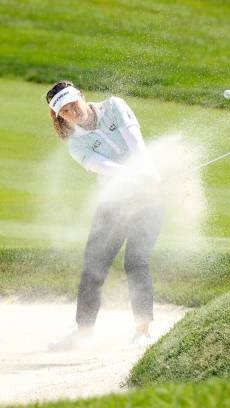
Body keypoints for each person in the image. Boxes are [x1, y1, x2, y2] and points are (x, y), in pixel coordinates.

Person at [45, 81, 165, 350]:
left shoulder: (115, 106)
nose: (72, 112)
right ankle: (83, 333)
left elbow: (137, 145)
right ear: (59, 116)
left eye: (73, 104)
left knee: (136, 261)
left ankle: (143, 332)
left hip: (150, 200)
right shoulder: (76, 145)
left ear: (82, 96)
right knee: (93, 266)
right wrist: (136, 176)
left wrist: (149, 175)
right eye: (64, 111)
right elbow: (104, 166)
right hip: (113, 203)